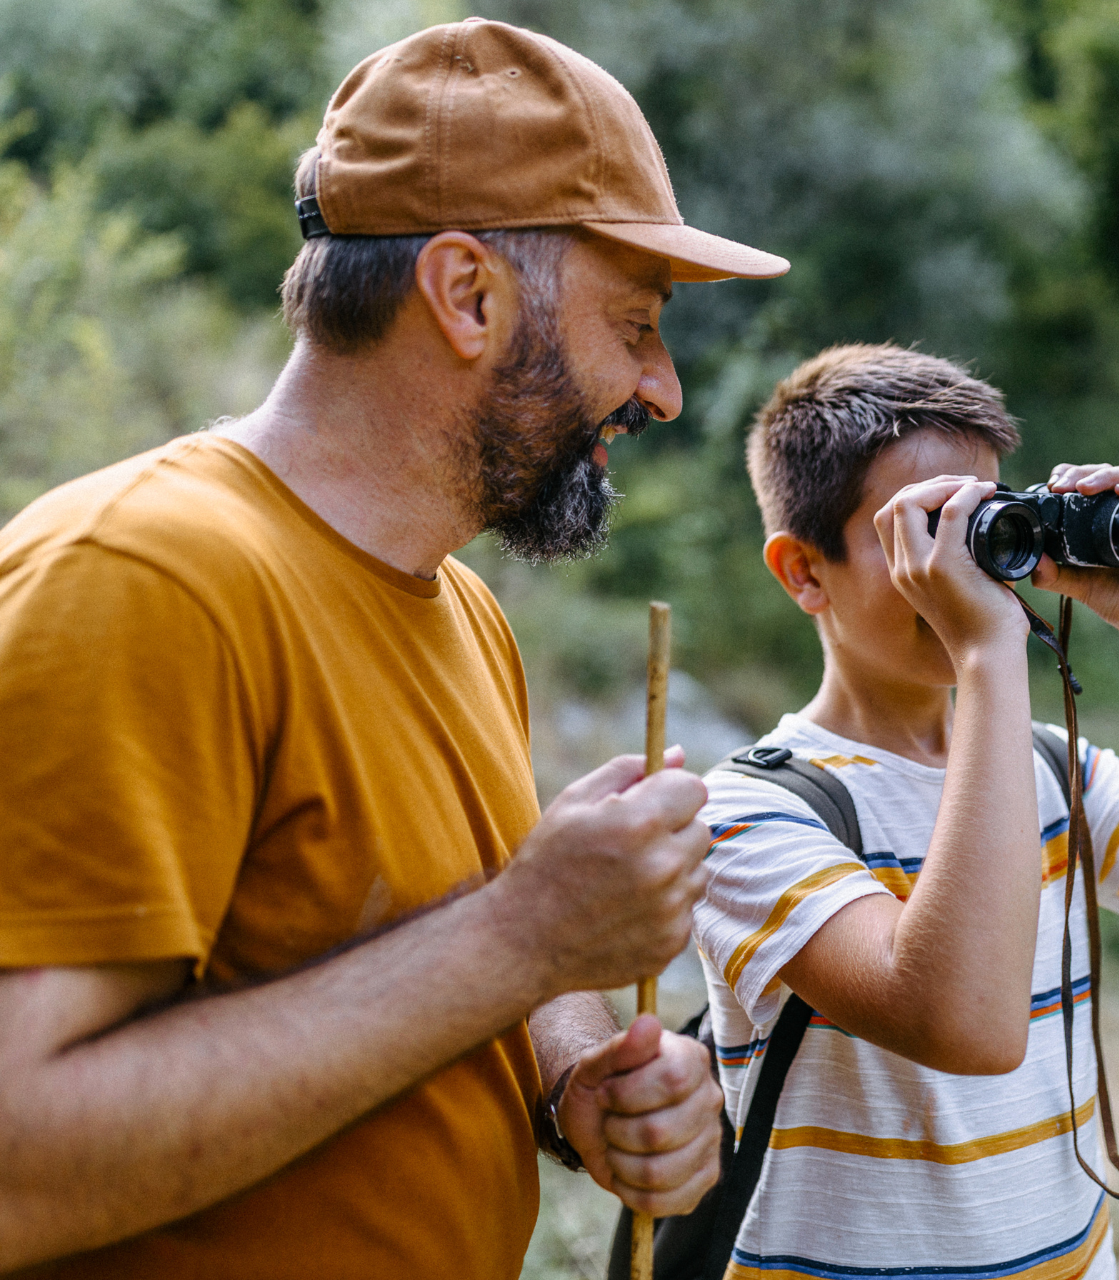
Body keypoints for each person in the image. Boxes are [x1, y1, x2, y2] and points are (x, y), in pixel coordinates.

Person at [0, 19, 790, 1279]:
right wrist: (527, 934)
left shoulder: (460, 609)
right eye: (635, 324)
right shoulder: (145, 578)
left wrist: (579, 1072)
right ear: (467, 293)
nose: (664, 389)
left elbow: (441, 951)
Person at [691, 344, 1119, 1279]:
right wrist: (990, 656)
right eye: (925, 529)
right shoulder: (748, 812)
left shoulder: (1048, 767)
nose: (970, 566)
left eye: (987, 521)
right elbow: (969, 1024)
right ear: (805, 571)